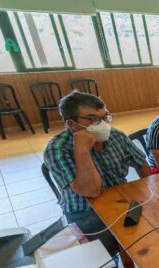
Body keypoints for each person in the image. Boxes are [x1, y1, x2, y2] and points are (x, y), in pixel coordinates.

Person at [44, 91, 151, 256]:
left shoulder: (116, 135)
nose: (102, 124)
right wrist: (82, 151)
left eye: (105, 117)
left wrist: (151, 192)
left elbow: (141, 163)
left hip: (121, 200)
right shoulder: (57, 149)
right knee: (104, 264)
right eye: (92, 119)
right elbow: (91, 191)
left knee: (153, 236)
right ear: (72, 124)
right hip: (85, 212)